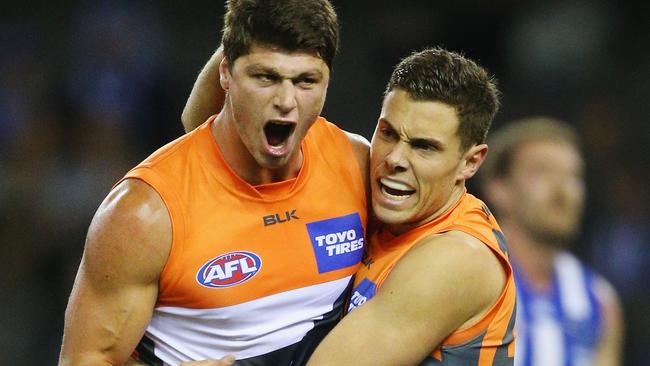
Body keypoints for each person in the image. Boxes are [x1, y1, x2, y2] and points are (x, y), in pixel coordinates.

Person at [58, 0, 371, 365]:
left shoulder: (355, 164)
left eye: (306, 81)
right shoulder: (145, 213)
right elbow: (85, 359)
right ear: (225, 73)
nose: (286, 102)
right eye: (265, 77)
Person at [182, 47, 515, 365]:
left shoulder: (457, 258)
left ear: (470, 162)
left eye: (424, 147)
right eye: (388, 133)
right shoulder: (379, 188)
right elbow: (216, 133)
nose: (395, 159)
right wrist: (250, 30)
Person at [478, 117, 624, 366]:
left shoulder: (599, 300)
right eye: (542, 171)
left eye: (573, 175)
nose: (562, 189)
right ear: (499, 189)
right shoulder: (471, 277)